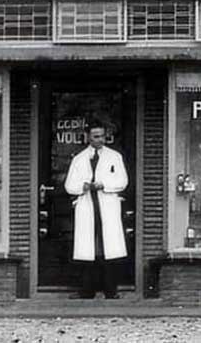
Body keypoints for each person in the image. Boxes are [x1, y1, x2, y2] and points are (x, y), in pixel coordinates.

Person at [63, 121, 128, 299]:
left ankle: (111, 291)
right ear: (88, 137)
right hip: (87, 206)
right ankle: (86, 291)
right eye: (96, 136)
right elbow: (69, 185)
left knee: (109, 249)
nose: (100, 140)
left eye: (102, 136)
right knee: (87, 250)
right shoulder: (79, 159)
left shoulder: (115, 157)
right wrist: (82, 186)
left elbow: (123, 181)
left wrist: (104, 184)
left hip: (106, 206)